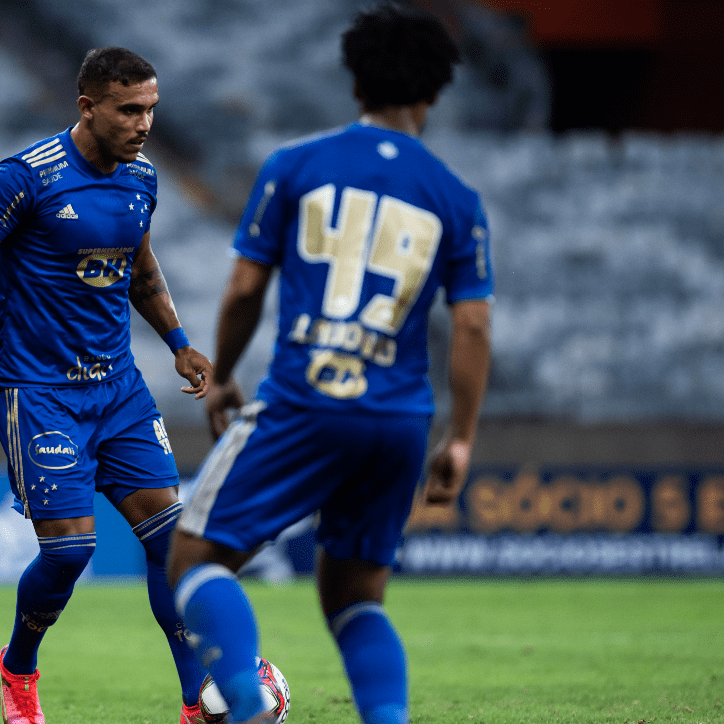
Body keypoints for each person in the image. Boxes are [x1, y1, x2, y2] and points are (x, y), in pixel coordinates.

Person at [166, 6, 493, 724]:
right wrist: (461, 436)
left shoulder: (296, 166)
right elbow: (471, 325)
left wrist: (220, 373)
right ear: (434, 94)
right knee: (353, 596)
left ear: (355, 84)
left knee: (194, 559)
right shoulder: (456, 200)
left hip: (307, 399)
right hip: (401, 418)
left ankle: (245, 704)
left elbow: (247, 286)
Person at [0, 47, 213, 724]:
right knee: (72, 550)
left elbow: (138, 271)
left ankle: (199, 704)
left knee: (172, 543)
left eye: (152, 109)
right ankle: (18, 666)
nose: (144, 123)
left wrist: (179, 343)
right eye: (130, 109)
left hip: (119, 392)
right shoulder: (28, 176)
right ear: (88, 106)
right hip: (37, 391)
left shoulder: (142, 178)